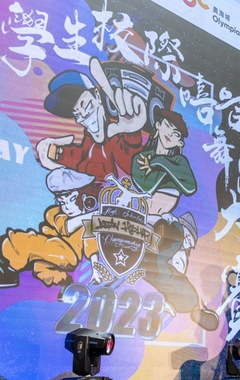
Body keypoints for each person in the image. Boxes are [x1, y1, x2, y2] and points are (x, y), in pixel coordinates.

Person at [37, 58, 146, 197]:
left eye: (87, 106)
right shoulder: (90, 142)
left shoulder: (116, 136)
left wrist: (132, 132)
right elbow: (81, 158)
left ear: (97, 96)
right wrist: (56, 153)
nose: (84, 117)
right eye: (77, 114)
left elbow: (132, 162)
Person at [0, 168, 101, 290]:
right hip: (49, 253)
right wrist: (93, 215)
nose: (67, 207)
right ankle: (65, 281)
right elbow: (65, 227)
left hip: (68, 255)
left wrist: (96, 271)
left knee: (26, 241)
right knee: (40, 268)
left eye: (72, 199)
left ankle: (9, 269)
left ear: (84, 197)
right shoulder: (54, 212)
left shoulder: (89, 222)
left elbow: (91, 246)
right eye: (62, 202)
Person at [132, 108, 196, 225]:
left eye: (176, 134)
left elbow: (190, 187)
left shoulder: (179, 161)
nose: (169, 134)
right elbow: (147, 188)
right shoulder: (141, 157)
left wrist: (159, 162)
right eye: (167, 126)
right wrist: (166, 167)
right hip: (144, 217)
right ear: (158, 125)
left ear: (180, 143)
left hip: (165, 221)